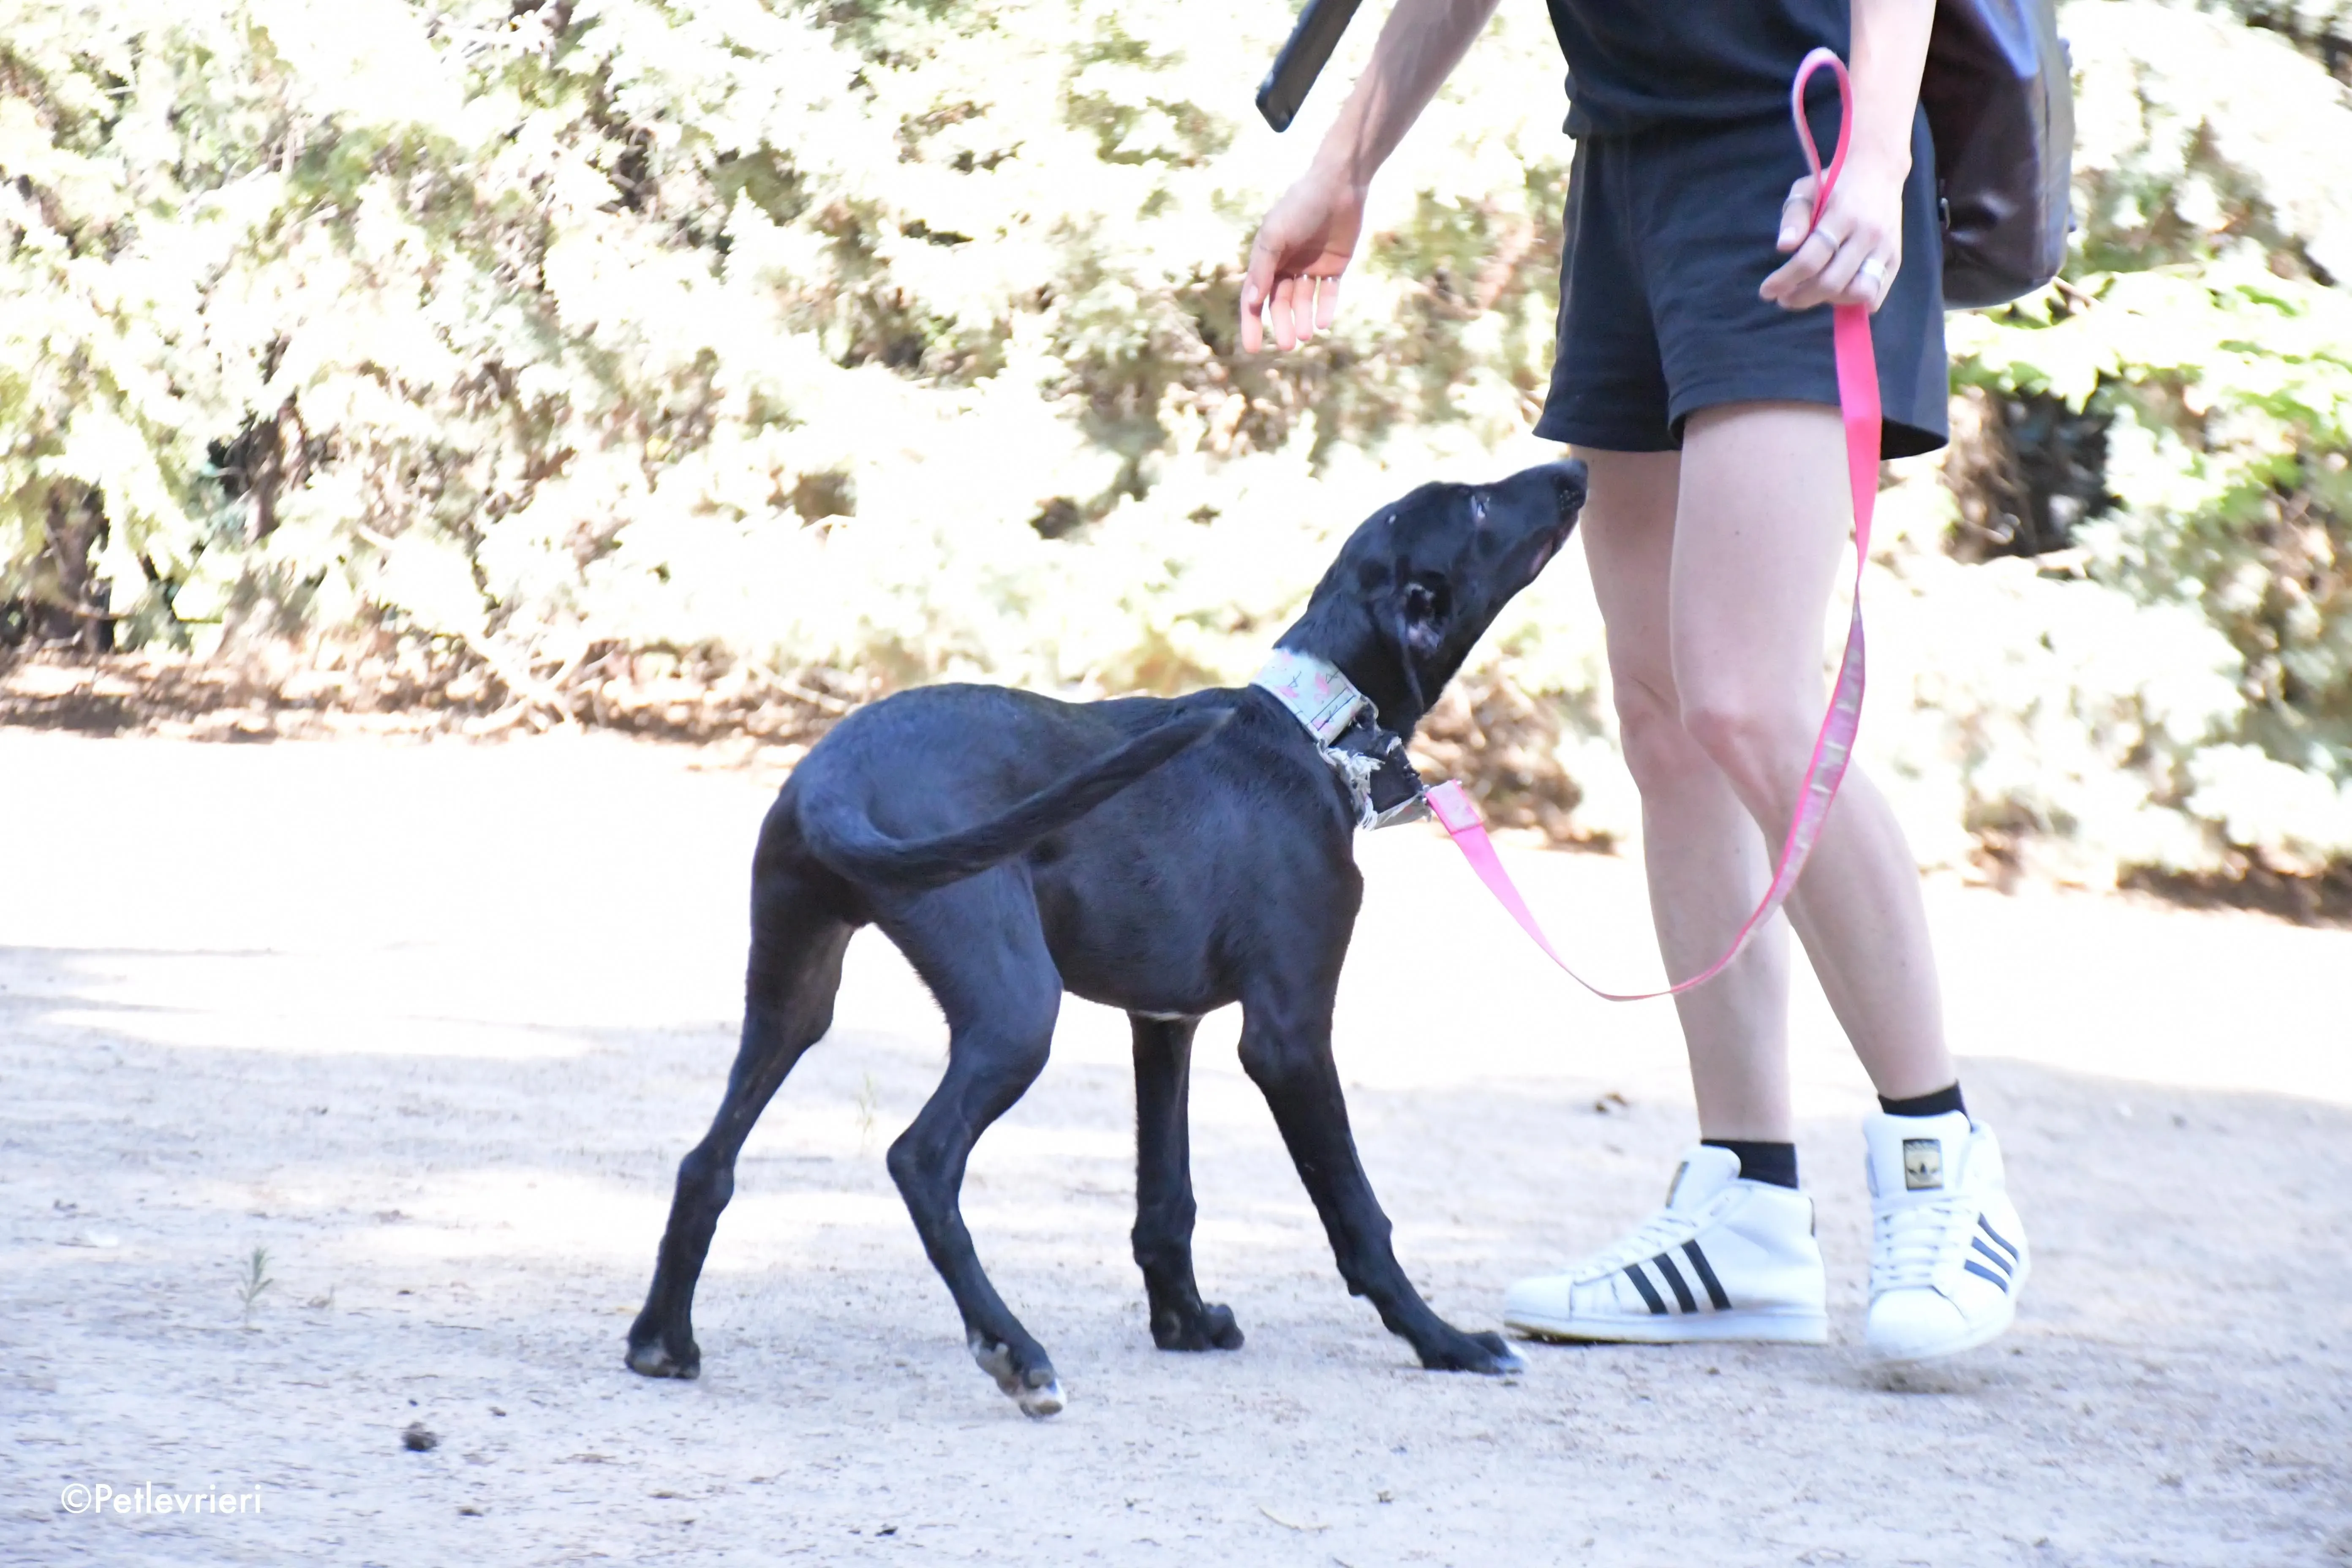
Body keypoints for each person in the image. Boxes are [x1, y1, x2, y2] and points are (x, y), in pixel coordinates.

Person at [1240, 0, 2027, 1360]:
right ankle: (1749, 1207)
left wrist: (1880, 158)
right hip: (1627, 163)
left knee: (1747, 695)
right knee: (1664, 717)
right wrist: (1347, 157)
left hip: (1801, 139)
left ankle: (1938, 1161)